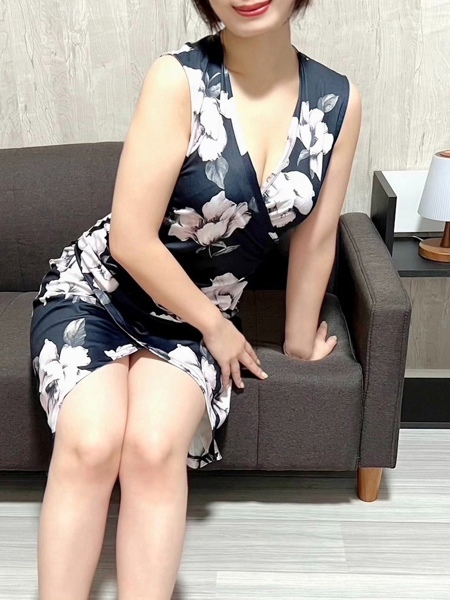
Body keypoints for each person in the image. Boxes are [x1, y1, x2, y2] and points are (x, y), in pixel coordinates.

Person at [29, 0, 362, 598]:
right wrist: (218, 326)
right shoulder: (177, 79)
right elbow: (131, 240)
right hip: (101, 294)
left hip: (189, 322)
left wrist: (297, 342)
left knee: (154, 448)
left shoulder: (338, 101)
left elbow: (316, 240)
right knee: (90, 443)